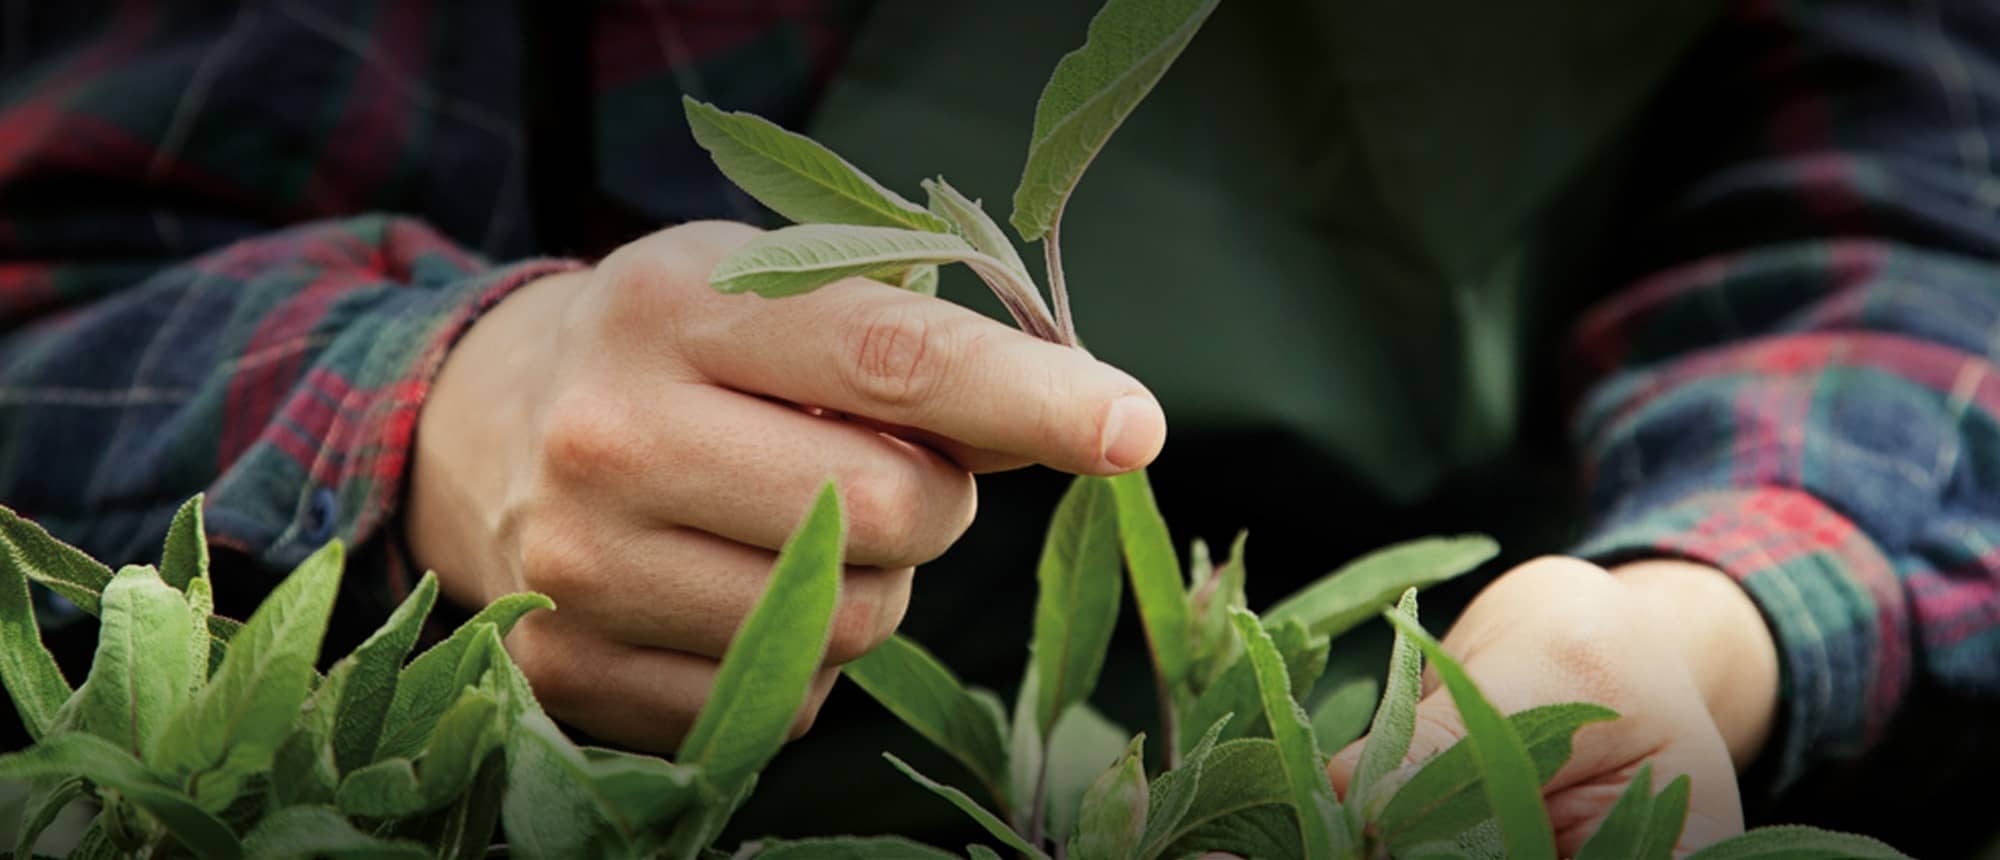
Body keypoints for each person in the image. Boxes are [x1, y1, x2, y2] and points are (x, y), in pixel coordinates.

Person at [1, 0, 1994, 855]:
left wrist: (1703, 609)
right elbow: (72, 272)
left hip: (1427, 609)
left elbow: (1903, 199)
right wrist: (450, 400)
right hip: (583, 670)